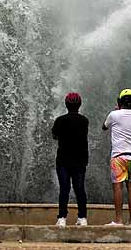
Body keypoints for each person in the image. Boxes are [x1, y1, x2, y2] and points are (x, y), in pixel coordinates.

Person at [102, 88, 131, 226]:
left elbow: (104, 127)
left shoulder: (114, 115)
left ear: (120, 101)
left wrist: (117, 110)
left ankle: (119, 220)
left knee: (118, 187)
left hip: (118, 157)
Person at [51, 92, 89, 227]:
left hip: (63, 160)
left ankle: (62, 217)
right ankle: (82, 217)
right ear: (80, 105)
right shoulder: (84, 120)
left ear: (66, 104)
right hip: (80, 160)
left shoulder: (60, 120)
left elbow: (54, 135)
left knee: (64, 189)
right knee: (80, 189)